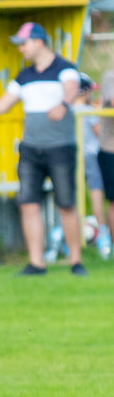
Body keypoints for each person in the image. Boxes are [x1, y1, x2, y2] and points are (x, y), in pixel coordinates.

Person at [0, 23, 87, 276]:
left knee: (66, 204)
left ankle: (76, 262)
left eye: (23, 43)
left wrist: (63, 103)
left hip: (60, 149)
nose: (20, 48)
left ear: (38, 42)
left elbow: (72, 87)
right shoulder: (24, 76)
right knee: (28, 203)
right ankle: (37, 263)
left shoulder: (64, 68)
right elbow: (3, 104)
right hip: (30, 150)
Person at [79, 72, 112, 260]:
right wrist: (100, 115)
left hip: (72, 156)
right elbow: (99, 132)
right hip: (91, 156)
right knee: (96, 193)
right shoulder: (88, 111)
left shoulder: (68, 110)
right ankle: (103, 233)